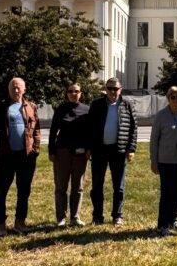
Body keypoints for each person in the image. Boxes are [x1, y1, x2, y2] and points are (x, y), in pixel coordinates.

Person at [0, 77, 42, 236]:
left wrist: (36, 149)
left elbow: (37, 130)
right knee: (1, 191)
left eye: (19, 88)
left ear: (24, 90)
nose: (16, 90)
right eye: (13, 88)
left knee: (24, 190)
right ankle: (0, 225)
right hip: (6, 156)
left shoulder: (31, 107)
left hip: (26, 157)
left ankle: (20, 222)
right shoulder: (2, 107)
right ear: (8, 90)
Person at [87, 77, 137, 225]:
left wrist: (131, 148)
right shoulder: (96, 105)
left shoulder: (127, 105)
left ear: (120, 89)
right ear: (105, 89)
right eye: (110, 88)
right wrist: (89, 147)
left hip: (119, 150)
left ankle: (117, 215)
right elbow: (90, 128)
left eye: (115, 89)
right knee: (97, 185)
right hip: (99, 150)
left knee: (119, 186)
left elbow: (134, 128)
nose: (112, 92)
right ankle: (97, 216)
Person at [150, 86, 177, 236]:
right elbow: (154, 140)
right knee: (167, 193)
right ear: (168, 98)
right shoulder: (161, 116)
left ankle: (173, 219)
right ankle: (162, 225)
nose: (176, 100)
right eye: (173, 97)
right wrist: (154, 160)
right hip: (166, 160)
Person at [48, 82, 90, 227]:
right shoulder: (61, 109)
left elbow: (91, 133)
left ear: (81, 93)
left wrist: (89, 149)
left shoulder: (87, 110)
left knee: (78, 187)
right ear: (67, 94)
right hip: (62, 152)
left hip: (80, 153)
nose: (73, 93)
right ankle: (61, 218)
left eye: (76, 91)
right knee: (61, 186)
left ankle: (75, 217)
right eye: (70, 91)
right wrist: (51, 151)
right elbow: (53, 131)